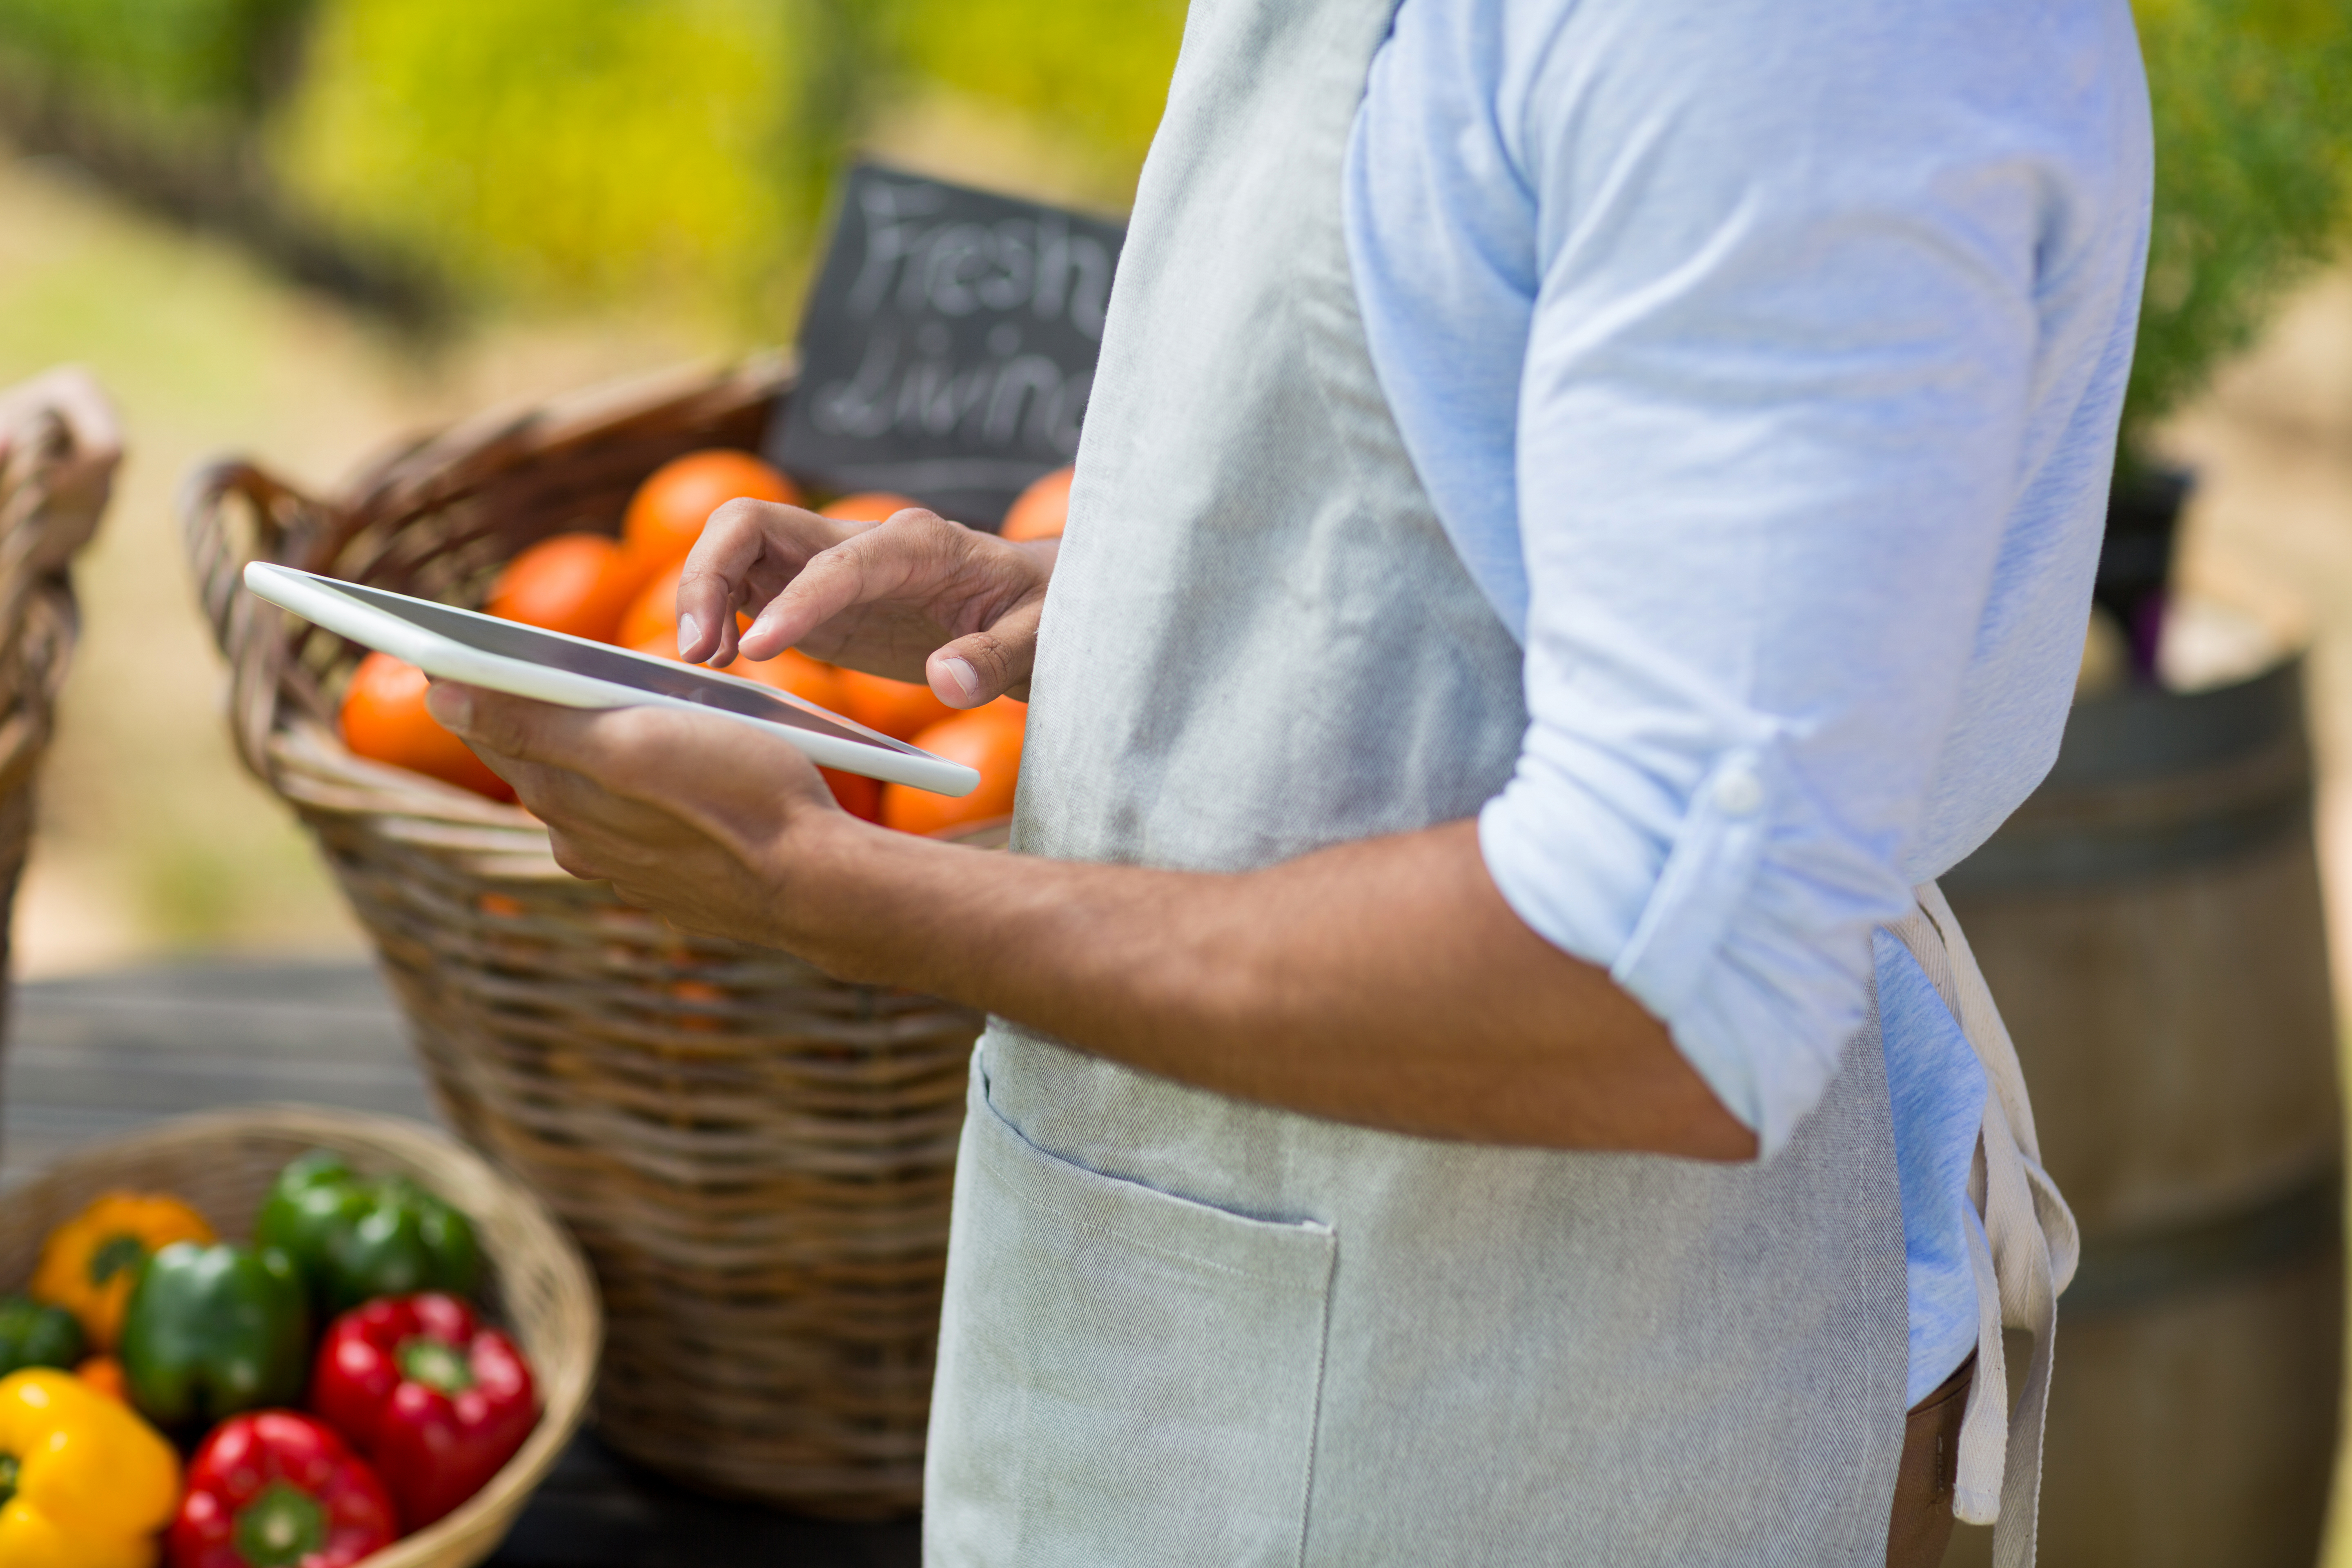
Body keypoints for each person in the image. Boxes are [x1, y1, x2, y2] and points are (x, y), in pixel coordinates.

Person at [428, 0, 2151, 1560]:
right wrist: (1132, 583)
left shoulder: (1795, 45)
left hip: (1504, 1414)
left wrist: (830, 889)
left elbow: (1659, 979)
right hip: (1222, 1361)